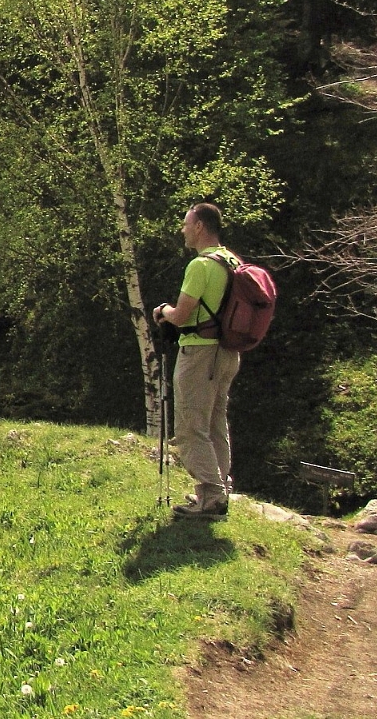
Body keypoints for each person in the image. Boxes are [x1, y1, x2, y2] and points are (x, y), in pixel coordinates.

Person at [151, 203, 240, 519]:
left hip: (200, 353)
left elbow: (182, 315)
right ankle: (214, 491)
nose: (183, 229)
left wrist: (162, 311)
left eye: (187, 224)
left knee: (190, 425)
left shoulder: (200, 266)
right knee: (215, 421)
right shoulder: (231, 261)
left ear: (200, 226)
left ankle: (212, 495)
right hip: (227, 353)